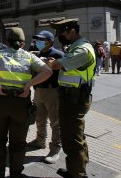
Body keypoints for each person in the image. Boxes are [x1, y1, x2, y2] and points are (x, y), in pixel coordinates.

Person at [0, 27, 52, 178]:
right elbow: (48, 71)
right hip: (21, 104)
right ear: (23, 43)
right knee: (18, 143)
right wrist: (28, 86)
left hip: (0, 102)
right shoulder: (29, 56)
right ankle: (15, 174)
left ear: (7, 42)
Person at [46, 19, 96, 178]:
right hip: (71, 98)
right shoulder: (75, 47)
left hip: (75, 99)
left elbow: (56, 65)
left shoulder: (82, 50)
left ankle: (78, 174)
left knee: (71, 137)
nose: (60, 36)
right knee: (76, 135)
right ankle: (77, 168)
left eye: (62, 32)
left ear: (72, 31)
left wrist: (52, 62)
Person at [27, 30, 64, 164]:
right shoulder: (38, 54)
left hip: (53, 92)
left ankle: (55, 149)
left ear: (50, 42)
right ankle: (40, 140)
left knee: (55, 122)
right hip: (38, 91)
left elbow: (66, 72)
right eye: (37, 40)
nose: (38, 42)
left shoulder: (58, 54)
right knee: (39, 118)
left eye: (41, 40)